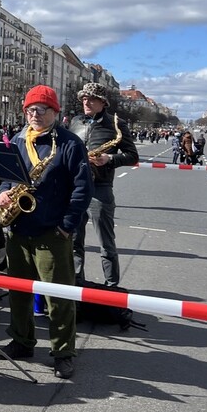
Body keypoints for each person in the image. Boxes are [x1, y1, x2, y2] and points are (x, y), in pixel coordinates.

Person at [0, 85, 93, 379]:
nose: (34, 115)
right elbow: (6, 176)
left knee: (57, 297)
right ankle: (22, 341)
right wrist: (3, 193)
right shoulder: (17, 139)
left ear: (55, 112)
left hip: (52, 232)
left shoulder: (70, 144)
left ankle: (63, 352)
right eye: (30, 110)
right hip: (19, 228)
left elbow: (82, 189)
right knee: (19, 292)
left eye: (41, 110)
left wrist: (66, 226)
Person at [66, 82, 138, 288]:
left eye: (91, 98)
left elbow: (132, 156)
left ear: (103, 102)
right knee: (74, 242)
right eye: (83, 98)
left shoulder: (117, 124)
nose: (85, 102)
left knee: (106, 243)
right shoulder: (76, 121)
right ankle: (76, 285)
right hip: (76, 188)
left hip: (101, 187)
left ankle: (111, 287)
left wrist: (109, 158)